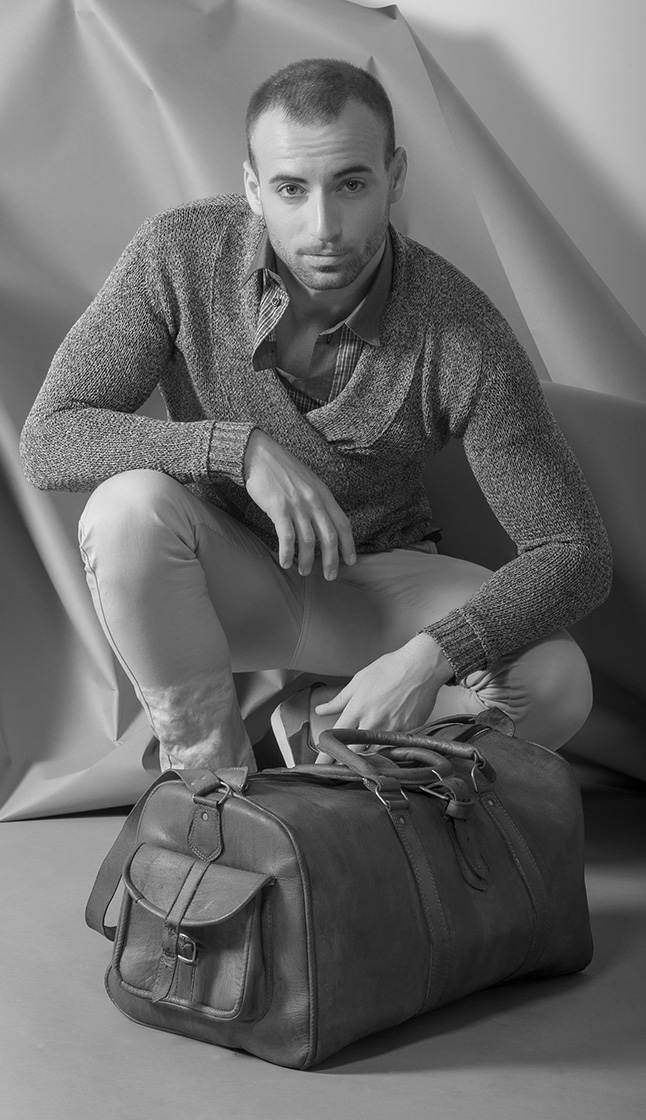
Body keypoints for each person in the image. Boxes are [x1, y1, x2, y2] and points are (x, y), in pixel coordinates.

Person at [20, 58, 612, 773]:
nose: (323, 226)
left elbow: (575, 552)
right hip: (221, 577)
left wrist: (432, 656)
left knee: (554, 679)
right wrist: (236, 449)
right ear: (253, 187)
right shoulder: (177, 254)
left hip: (377, 588)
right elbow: (49, 439)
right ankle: (210, 791)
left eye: (351, 184)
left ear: (395, 176)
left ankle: (324, 748)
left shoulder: (462, 330)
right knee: (126, 510)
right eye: (291, 189)